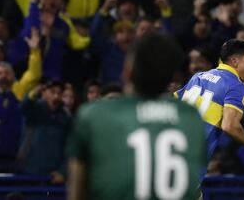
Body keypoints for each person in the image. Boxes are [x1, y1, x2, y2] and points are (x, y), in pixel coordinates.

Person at [67, 33, 206, 200]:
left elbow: (78, 192)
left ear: (127, 72)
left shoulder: (94, 116)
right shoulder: (191, 118)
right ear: (173, 77)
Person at [175, 39, 244, 174]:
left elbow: (173, 101)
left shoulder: (198, 76)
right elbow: (229, 126)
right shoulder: (236, 85)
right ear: (235, 61)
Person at [0, 27, 42, 172]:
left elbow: (34, 74)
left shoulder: (20, 89)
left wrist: (34, 52)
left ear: (13, 76)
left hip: (17, 154)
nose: (3, 76)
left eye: (7, 73)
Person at [19, 80, 70, 184]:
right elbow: (23, 107)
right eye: (52, 92)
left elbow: (69, 148)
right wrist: (34, 93)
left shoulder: (66, 118)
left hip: (53, 175)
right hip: (29, 171)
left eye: (59, 93)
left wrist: (63, 172)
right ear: (44, 93)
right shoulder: (35, 109)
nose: (56, 96)